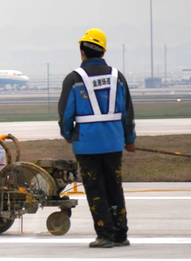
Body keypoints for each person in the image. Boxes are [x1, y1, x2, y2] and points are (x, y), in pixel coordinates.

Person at [58, 28, 137, 248]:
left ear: (82, 52)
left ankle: (105, 235)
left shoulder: (74, 79)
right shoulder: (117, 77)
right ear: (102, 51)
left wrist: (67, 134)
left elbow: (66, 114)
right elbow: (127, 112)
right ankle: (121, 235)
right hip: (113, 143)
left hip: (86, 146)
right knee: (115, 187)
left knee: (95, 189)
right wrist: (129, 139)